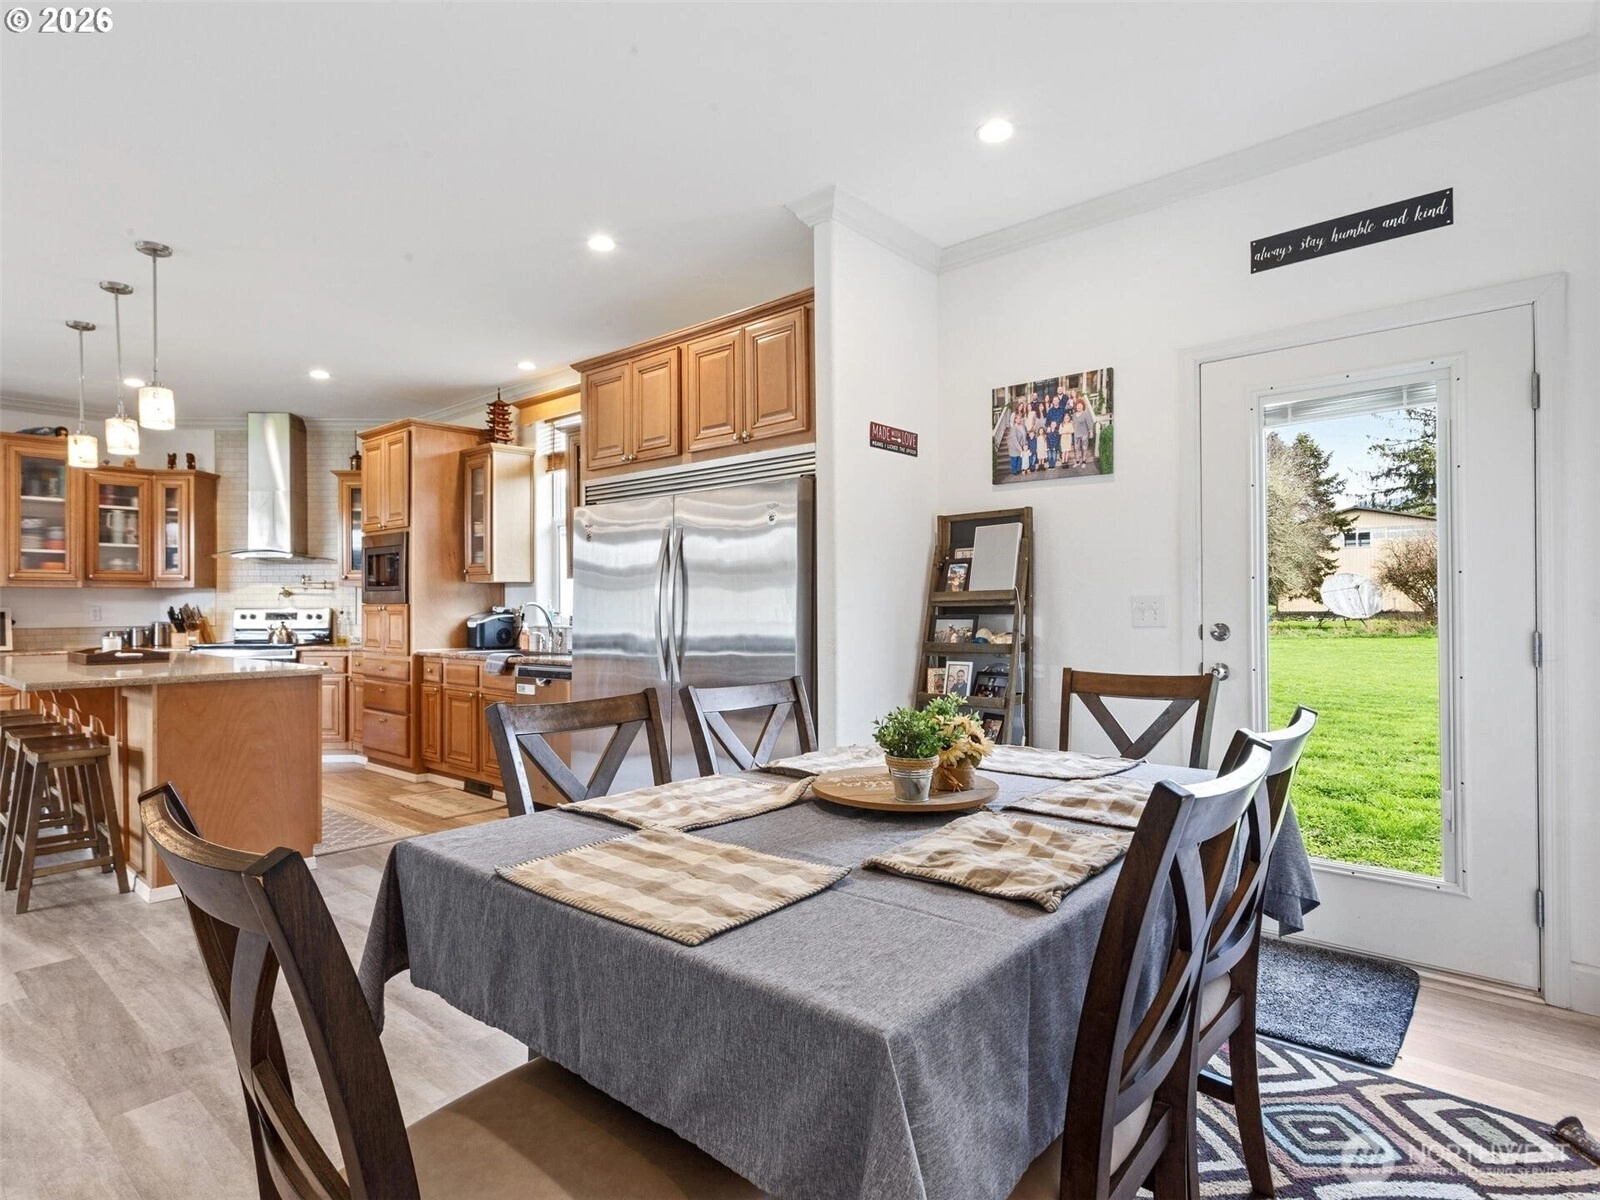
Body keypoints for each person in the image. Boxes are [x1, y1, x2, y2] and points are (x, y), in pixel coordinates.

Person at [1073, 398, 1096, 469]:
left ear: (1083, 406)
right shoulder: (1074, 415)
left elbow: (1089, 424)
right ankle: (1077, 462)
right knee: (1076, 449)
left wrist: (1091, 432)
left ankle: (1084, 462)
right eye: (1078, 405)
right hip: (1076, 434)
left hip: (1084, 434)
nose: (1079, 407)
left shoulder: (1085, 414)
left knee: (1084, 448)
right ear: (1076, 406)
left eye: (1080, 405)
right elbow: (1073, 424)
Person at [1006, 409, 1028, 477]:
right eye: (1017, 419)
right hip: (1014, 447)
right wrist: (1020, 448)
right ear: (1015, 420)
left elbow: (1024, 435)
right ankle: (1014, 471)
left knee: (1019, 458)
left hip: (1021, 445)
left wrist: (1025, 444)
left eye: (1020, 418)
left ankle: (1018, 469)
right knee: (1014, 459)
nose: (1019, 420)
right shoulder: (1013, 428)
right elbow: (1014, 440)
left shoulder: (1022, 426)